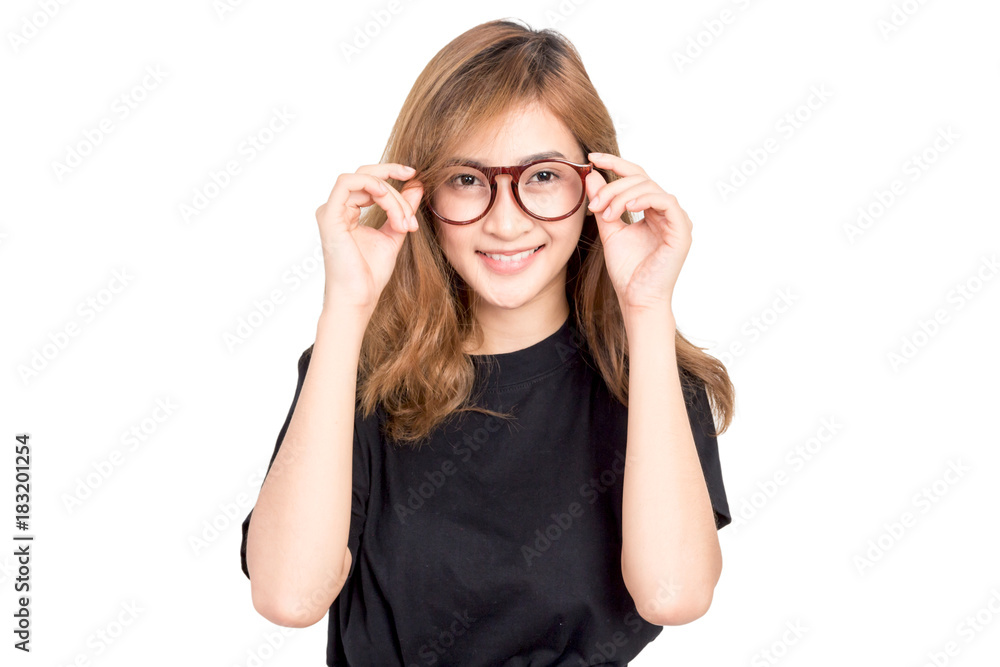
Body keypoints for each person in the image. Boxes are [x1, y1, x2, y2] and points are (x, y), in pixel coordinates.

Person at [240, 17, 735, 666]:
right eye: (469, 179)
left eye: (543, 177)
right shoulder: (358, 373)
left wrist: (645, 310)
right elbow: (287, 595)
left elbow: (673, 594)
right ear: (422, 193)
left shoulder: (644, 377)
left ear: (594, 188)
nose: (505, 221)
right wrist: (345, 309)